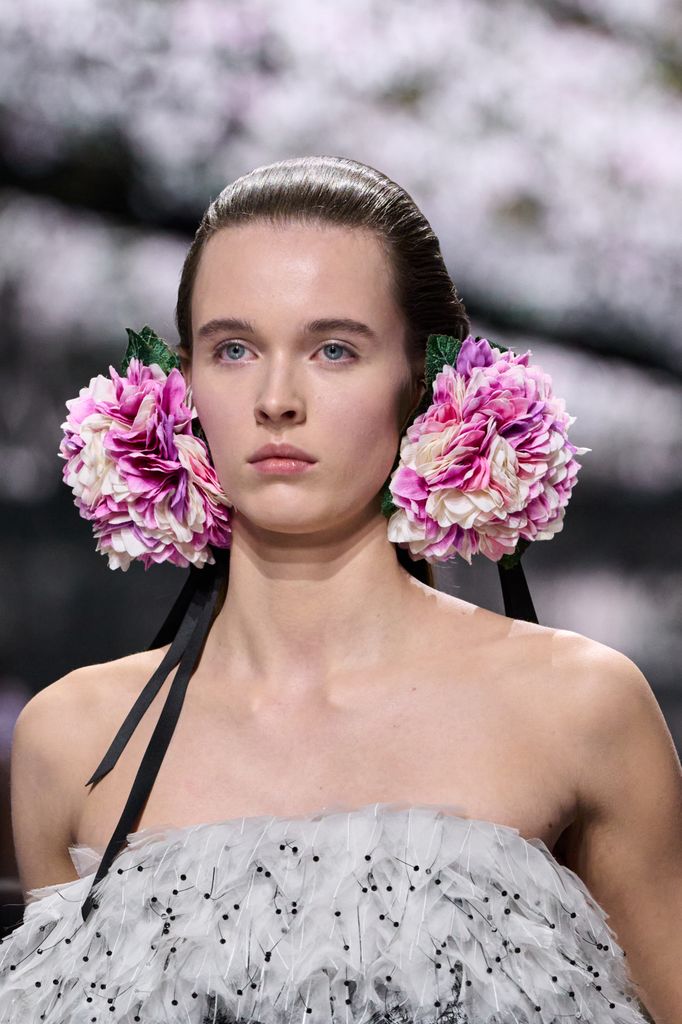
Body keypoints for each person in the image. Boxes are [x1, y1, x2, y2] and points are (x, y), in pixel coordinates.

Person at [2, 155, 679, 1023]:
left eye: (334, 349)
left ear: (431, 387)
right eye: (235, 349)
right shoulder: (72, 739)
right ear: (176, 390)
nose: (276, 399)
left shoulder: (579, 708)